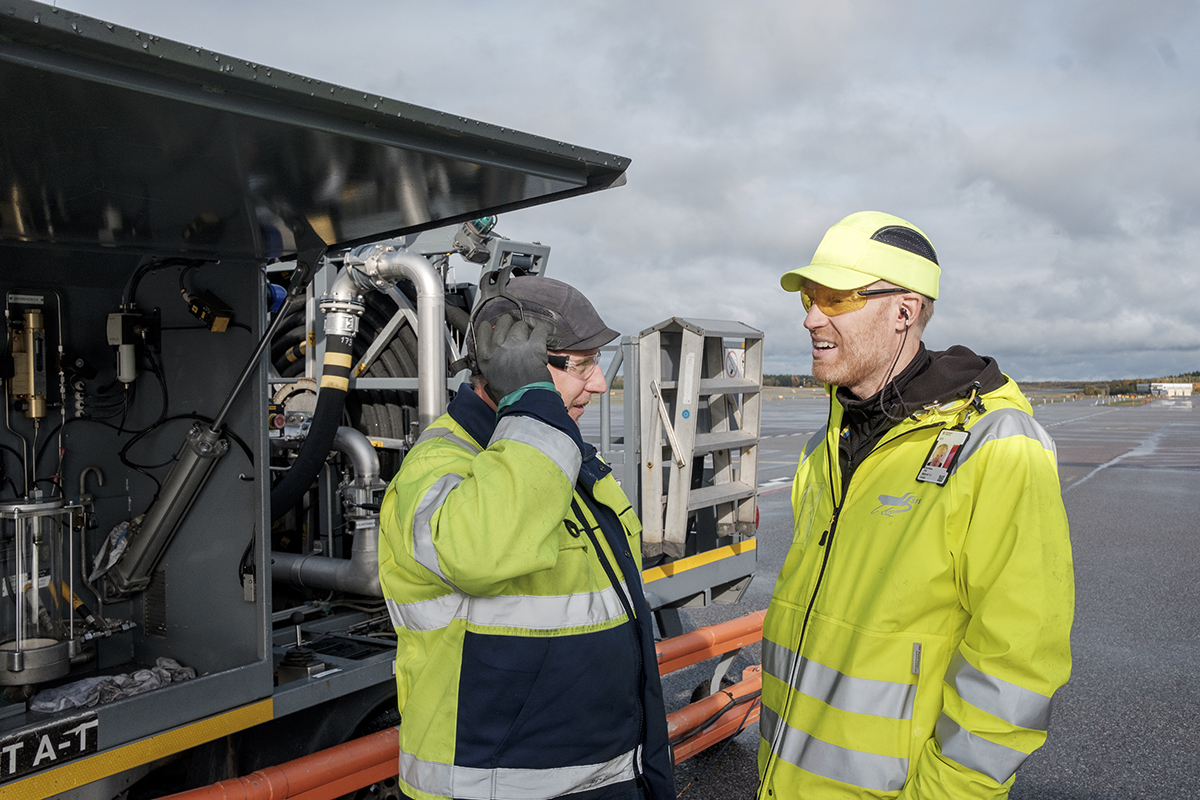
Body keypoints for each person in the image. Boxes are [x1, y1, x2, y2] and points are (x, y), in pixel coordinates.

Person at [757, 211, 1074, 799]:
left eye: (835, 297)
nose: (810, 317)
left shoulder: (997, 447)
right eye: (808, 295)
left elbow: (1019, 660)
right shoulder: (823, 449)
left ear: (904, 312)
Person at [378, 269, 675, 800]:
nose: (601, 383)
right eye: (581, 365)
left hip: (598, 774)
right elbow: (482, 551)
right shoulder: (443, 464)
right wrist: (534, 402)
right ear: (515, 369)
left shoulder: (556, 455)